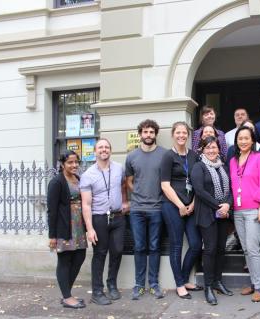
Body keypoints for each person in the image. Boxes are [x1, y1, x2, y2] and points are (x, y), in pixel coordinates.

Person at [80, 138, 129, 305]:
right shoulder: (87, 175)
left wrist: (124, 201)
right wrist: (89, 228)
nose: (104, 150)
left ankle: (112, 284)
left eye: (107, 147)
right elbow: (86, 205)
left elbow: (122, 186)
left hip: (118, 217)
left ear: (110, 150)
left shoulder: (118, 168)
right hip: (99, 218)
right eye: (100, 147)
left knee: (118, 250)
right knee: (100, 254)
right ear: (95, 151)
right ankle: (97, 291)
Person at [125, 119, 167, 300]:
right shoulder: (131, 156)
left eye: (151, 132)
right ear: (140, 134)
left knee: (154, 246)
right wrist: (140, 193)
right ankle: (139, 285)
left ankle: (154, 284)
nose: (148, 135)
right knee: (140, 247)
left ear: (155, 134)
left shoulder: (164, 155)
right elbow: (129, 181)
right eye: (145, 132)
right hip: (137, 209)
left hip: (157, 208)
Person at [161, 121, 202, 299]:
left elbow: (197, 182)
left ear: (188, 135)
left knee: (195, 244)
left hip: (191, 206)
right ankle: (179, 284)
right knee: (176, 245)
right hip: (172, 206)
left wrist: (192, 204)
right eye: (178, 133)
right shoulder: (168, 156)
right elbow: (165, 185)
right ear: (173, 134)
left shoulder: (193, 156)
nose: (181, 136)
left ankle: (185, 278)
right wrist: (180, 205)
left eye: (184, 133)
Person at [229, 125, 260, 302]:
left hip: (254, 209)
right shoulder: (232, 161)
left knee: (253, 248)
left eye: (247, 138)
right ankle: (253, 283)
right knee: (245, 248)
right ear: (236, 141)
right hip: (238, 211)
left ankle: (259, 287)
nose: (243, 141)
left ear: (252, 140)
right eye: (240, 138)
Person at [191, 136, 234, 305]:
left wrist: (228, 205)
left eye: (214, 147)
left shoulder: (223, 166)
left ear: (218, 149)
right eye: (207, 147)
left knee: (220, 249)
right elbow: (200, 191)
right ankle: (208, 286)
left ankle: (218, 281)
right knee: (209, 250)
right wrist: (219, 206)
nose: (211, 150)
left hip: (223, 214)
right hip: (207, 214)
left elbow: (231, 188)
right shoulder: (198, 167)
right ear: (202, 149)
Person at [47, 150, 87, 309]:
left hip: (79, 226)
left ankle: (66, 294)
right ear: (62, 164)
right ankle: (67, 297)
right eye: (70, 162)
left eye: (76, 162)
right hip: (64, 226)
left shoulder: (78, 179)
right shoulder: (56, 182)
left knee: (79, 258)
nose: (74, 165)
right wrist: (52, 236)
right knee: (64, 261)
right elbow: (52, 210)